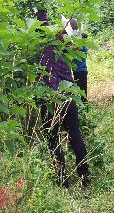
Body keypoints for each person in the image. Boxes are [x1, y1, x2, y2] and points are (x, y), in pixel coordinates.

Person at [39, 29, 89, 187]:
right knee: (75, 135)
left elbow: (42, 24)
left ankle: (62, 179)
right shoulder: (66, 53)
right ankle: (84, 175)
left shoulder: (47, 52)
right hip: (69, 97)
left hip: (51, 99)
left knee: (53, 140)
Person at [69, 18, 88, 103]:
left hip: (81, 71)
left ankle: (85, 107)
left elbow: (77, 48)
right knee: (78, 90)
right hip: (76, 70)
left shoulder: (82, 45)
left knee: (83, 92)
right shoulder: (78, 42)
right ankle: (81, 105)